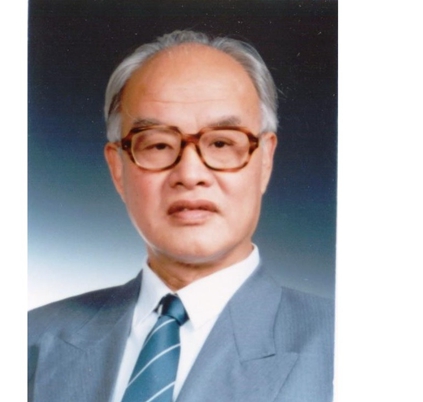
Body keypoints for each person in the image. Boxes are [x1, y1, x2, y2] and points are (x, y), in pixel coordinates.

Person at [28, 30, 334, 402]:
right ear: (118, 168)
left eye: (221, 142)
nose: (190, 175)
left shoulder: (341, 345)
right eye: (158, 144)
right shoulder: (30, 341)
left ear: (265, 160)